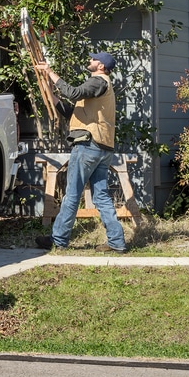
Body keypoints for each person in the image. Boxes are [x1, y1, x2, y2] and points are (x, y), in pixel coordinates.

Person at [33, 51, 127, 253]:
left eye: (94, 59)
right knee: (101, 197)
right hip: (102, 147)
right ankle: (117, 242)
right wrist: (51, 94)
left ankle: (59, 240)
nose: (90, 60)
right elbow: (72, 113)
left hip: (88, 145)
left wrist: (50, 72)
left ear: (101, 66)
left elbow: (73, 93)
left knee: (72, 194)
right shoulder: (100, 89)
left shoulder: (98, 81)